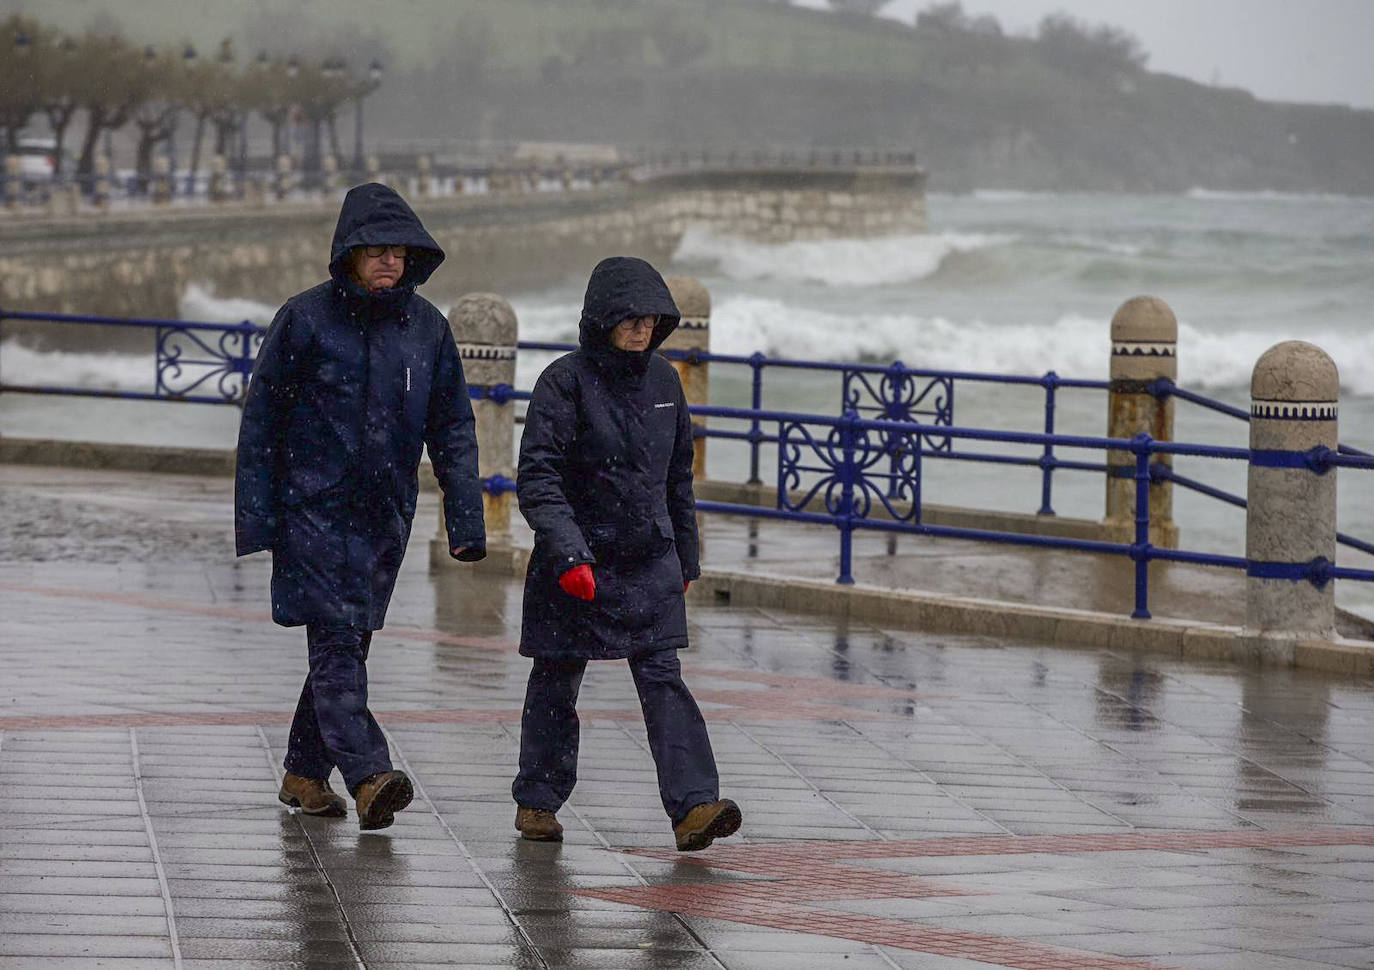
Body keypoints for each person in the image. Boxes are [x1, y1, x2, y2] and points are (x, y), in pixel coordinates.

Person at [235, 182, 486, 831]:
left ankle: (303, 771)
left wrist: (464, 522)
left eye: (398, 252)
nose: (388, 262)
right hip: (310, 510)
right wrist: (258, 519)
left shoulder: (427, 329)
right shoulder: (306, 317)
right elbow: (262, 420)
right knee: (338, 642)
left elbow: (453, 426)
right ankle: (371, 773)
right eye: (375, 251)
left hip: (384, 517)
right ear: (349, 253)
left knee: (348, 643)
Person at [511, 255, 741, 852]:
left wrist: (686, 557)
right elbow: (539, 478)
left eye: (651, 319)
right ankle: (538, 800)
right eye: (629, 318)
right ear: (602, 318)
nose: (640, 329)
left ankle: (694, 806)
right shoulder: (563, 381)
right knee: (557, 680)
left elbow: (677, 479)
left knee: (664, 678)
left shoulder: (666, 382)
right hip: (577, 563)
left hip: (649, 560)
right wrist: (568, 554)